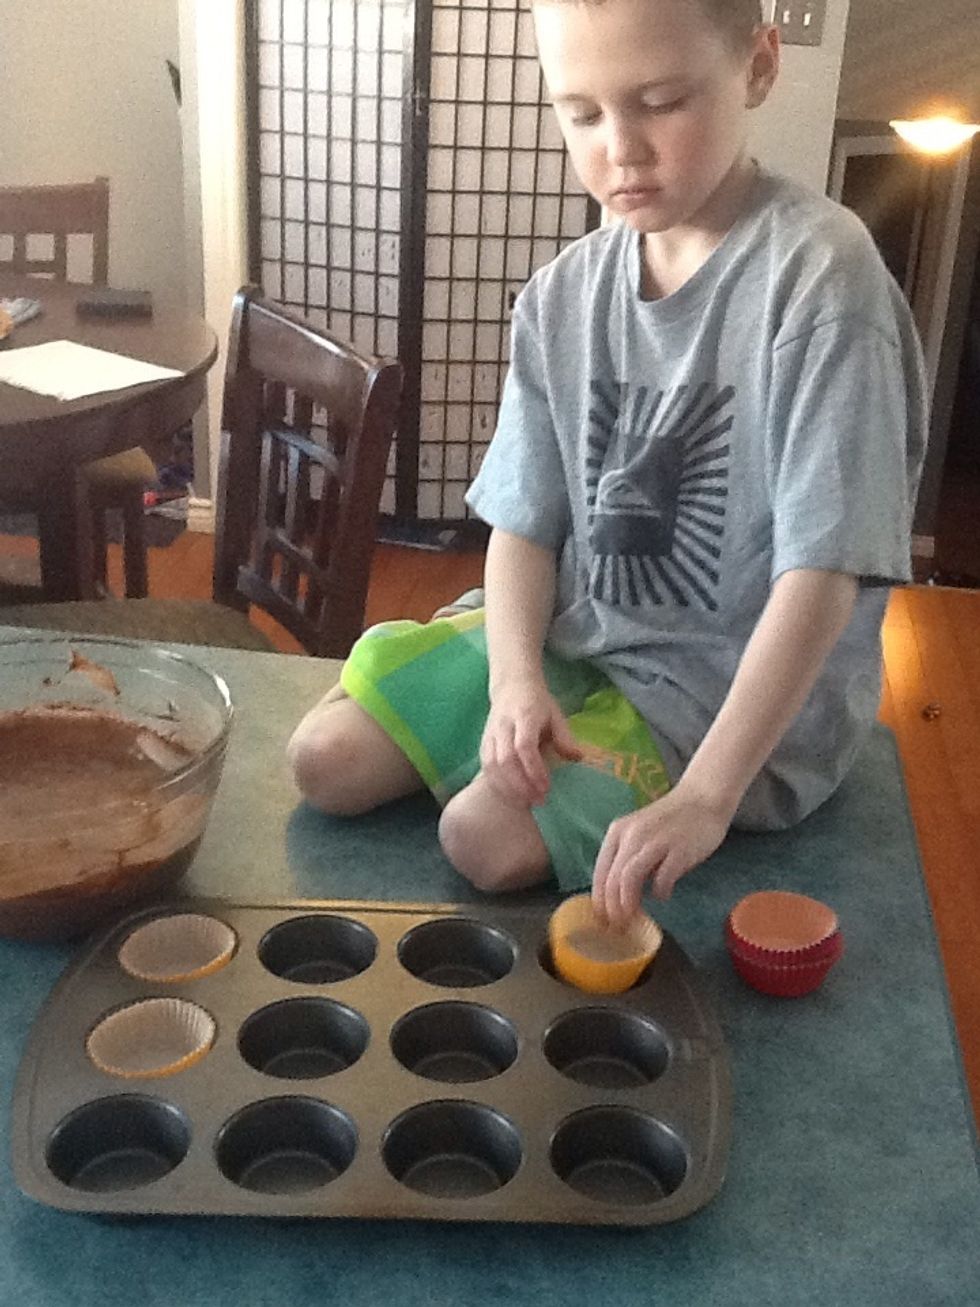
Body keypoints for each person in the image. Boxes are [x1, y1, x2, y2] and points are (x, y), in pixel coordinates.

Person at [288, 0, 926, 928]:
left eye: (661, 101)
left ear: (757, 65)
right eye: (581, 112)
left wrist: (705, 797)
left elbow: (820, 578)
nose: (620, 149)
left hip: (716, 692)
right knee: (324, 761)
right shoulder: (562, 295)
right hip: (580, 633)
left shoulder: (822, 281)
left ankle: (569, 767)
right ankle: (532, 728)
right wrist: (515, 685)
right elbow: (523, 523)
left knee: (482, 839)